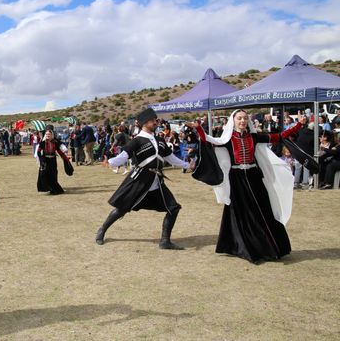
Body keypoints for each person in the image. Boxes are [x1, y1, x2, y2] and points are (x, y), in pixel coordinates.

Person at [187, 109, 303, 263]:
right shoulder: (227, 138)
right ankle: (246, 247)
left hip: (254, 176)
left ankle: (271, 247)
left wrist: (299, 125)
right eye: (239, 118)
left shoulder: (254, 137)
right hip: (237, 179)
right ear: (233, 120)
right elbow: (208, 140)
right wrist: (199, 128)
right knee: (241, 213)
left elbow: (278, 137)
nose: (242, 121)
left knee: (263, 210)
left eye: (245, 118)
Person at [96, 108, 190, 249]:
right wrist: (109, 162)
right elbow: (123, 156)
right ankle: (102, 230)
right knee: (122, 208)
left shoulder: (160, 140)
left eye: (156, 120)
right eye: (153, 120)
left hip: (156, 182)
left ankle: (165, 241)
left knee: (173, 208)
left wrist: (188, 165)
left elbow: (171, 158)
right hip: (139, 181)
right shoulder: (137, 141)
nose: (156, 122)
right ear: (144, 123)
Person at [36, 126, 73, 195]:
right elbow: (38, 152)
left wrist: (65, 158)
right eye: (46, 134)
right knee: (45, 175)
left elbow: (59, 152)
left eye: (49, 134)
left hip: (53, 160)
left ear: (51, 135)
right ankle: (48, 188)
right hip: (45, 161)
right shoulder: (42, 143)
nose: (48, 135)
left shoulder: (55, 142)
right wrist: (41, 160)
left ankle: (54, 189)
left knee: (53, 174)